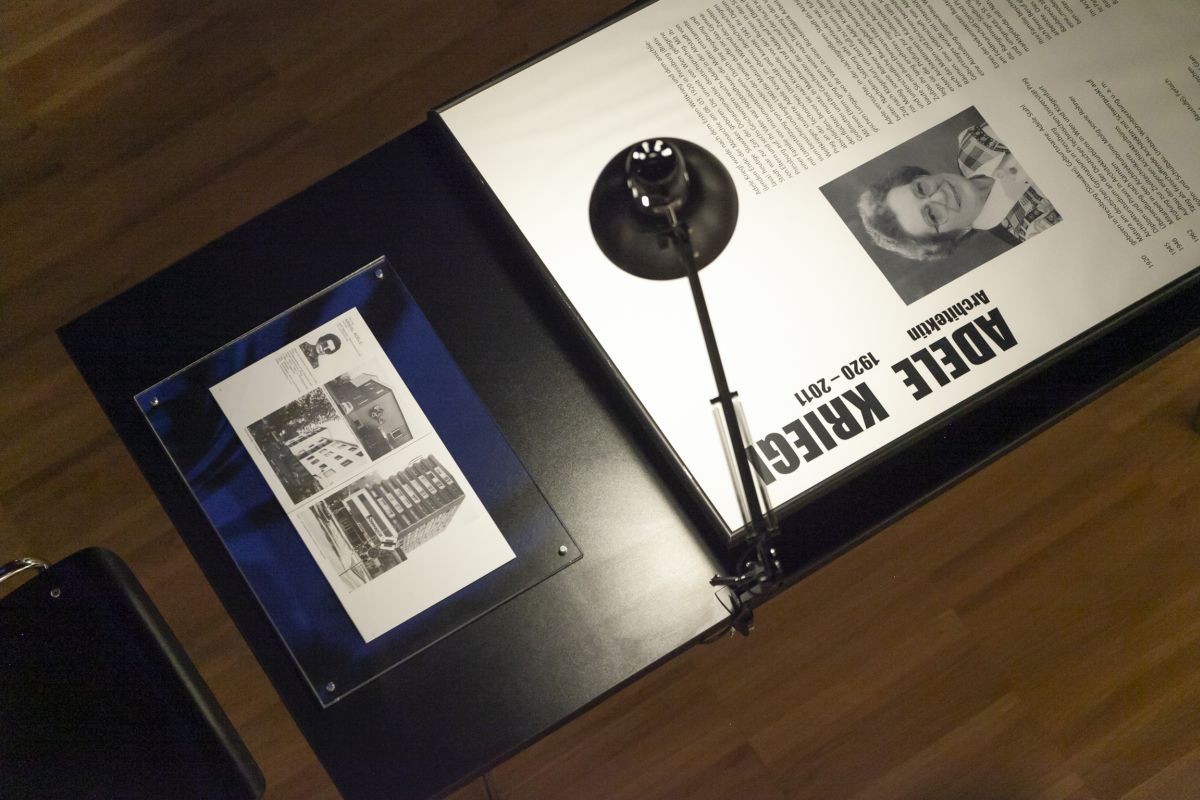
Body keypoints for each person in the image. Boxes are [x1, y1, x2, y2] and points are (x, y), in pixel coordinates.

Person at [858, 122, 1061, 261]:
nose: (940, 195)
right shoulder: (1036, 232)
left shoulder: (973, 143)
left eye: (920, 188)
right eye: (932, 215)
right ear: (956, 235)